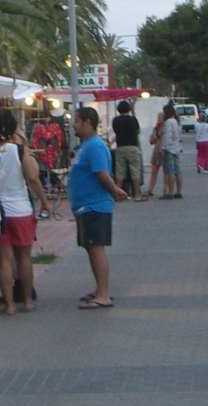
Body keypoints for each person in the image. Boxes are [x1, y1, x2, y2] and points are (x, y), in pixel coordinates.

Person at [69, 107, 128, 309]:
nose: (74, 125)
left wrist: (114, 190)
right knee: (91, 248)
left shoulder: (95, 146)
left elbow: (102, 174)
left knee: (96, 249)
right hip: (85, 207)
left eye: (76, 121)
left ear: (87, 122)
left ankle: (104, 294)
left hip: (94, 206)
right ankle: (99, 289)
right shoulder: (86, 146)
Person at [0, 111, 50, 314]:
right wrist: (44, 202)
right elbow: (32, 178)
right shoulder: (20, 150)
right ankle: (27, 301)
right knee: (24, 257)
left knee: (4, 260)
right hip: (21, 210)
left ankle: (9, 305)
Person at [112, 100, 147, 201]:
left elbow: (115, 131)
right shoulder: (133, 120)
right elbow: (138, 131)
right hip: (132, 146)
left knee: (120, 172)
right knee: (135, 171)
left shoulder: (115, 120)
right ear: (129, 109)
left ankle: (118, 195)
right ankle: (137, 194)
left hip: (120, 147)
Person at [160, 104, 183, 199]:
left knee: (170, 171)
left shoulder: (168, 122)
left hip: (169, 149)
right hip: (176, 148)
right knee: (178, 171)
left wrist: (163, 148)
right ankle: (179, 191)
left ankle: (170, 192)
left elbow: (167, 136)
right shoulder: (176, 121)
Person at [145, 112, 165, 197]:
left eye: (160, 117)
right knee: (154, 171)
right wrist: (155, 136)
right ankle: (150, 189)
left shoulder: (166, 128)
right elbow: (151, 141)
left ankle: (166, 190)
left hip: (164, 150)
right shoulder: (156, 128)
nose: (159, 119)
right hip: (156, 151)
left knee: (166, 172)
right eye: (158, 117)